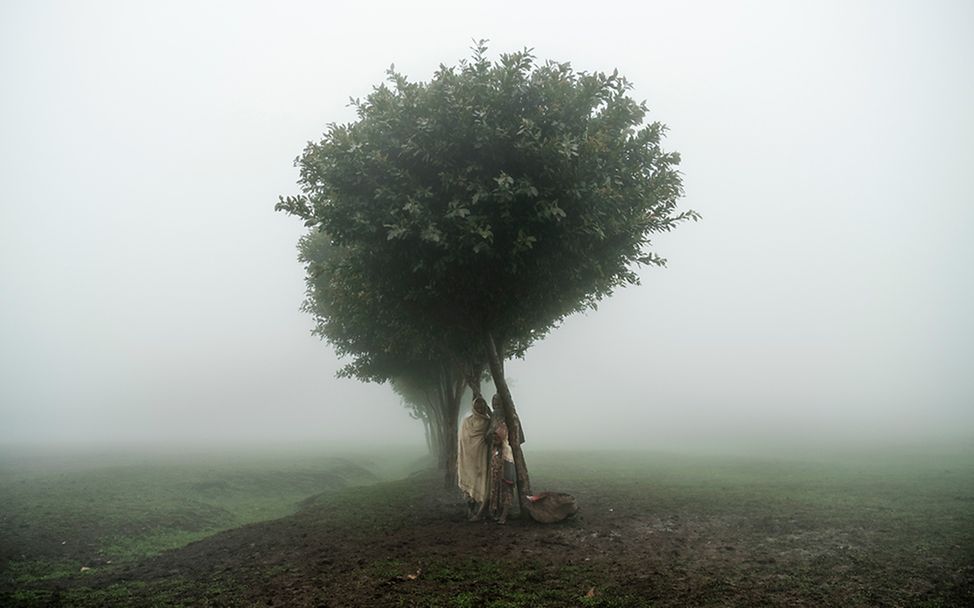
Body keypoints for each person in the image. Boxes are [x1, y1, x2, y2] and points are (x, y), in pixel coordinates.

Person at [457, 395, 491, 521]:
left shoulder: (488, 422)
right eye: (477, 405)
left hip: (482, 458)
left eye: (482, 405)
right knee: (469, 482)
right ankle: (470, 510)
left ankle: (480, 510)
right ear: (473, 406)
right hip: (468, 458)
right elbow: (462, 439)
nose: (480, 407)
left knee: (481, 482)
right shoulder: (467, 421)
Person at [488, 421, 516, 524]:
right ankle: (497, 514)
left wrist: (507, 479)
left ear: (503, 437)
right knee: (496, 496)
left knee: (506, 496)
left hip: (505, 478)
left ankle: (504, 516)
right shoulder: (494, 448)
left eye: (497, 437)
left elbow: (509, 464)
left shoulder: (507, 449)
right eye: (494, 437)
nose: (495, 439)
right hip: (495, 479)